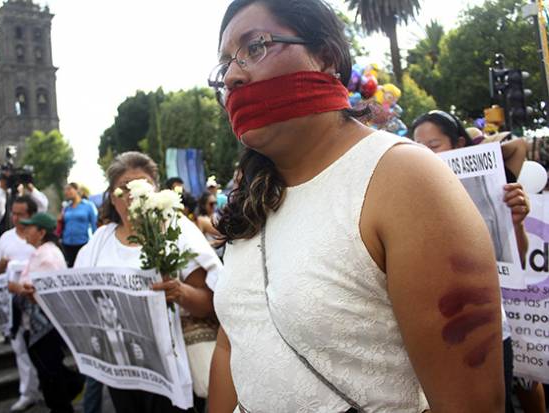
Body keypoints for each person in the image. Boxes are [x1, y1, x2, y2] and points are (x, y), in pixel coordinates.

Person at [208, 1, 505, 412]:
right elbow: (232, 342)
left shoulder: (406, 178)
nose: (234, 76)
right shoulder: (251, 195)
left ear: (326, 57)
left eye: (255, 47)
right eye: (224, 67)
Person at [411, 110, 543, 413]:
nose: (425, 156)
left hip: (491, 330)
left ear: (458, 144)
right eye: (417, 149)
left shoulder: (493, 190)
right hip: (439, 335)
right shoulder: (412, 194)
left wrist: (515, 223)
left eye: (433, 146)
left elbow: (515, 261)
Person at [75, 151, 223, 413]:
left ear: (156, 191)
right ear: (112, 196)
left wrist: (180, 292)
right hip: (123, 368)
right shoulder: (100, 241)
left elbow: (210, 303)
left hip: (172, 366)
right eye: (124, 188)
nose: (133, 194)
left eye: (142, 185)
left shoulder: (178, 231)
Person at [10, 212, 85, 413]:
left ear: (42, 232)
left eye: (29, 228)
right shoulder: (40, 253)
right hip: (38, 326)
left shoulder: (48, 256)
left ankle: (69, 395)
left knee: (51, 375)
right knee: (49, 373)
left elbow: (38, 292)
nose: (24, 231)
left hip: (45, 327)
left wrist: (16, 288)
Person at [0, 195, 42, 411]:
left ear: (31, 215)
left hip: (38, 302)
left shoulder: (39, 236)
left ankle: (46, 387)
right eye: (14, 213)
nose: (16, 218)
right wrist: (1, 265)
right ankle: (27, 392)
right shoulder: (5, 238)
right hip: (13, 304)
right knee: (19, 346)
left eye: (21, 214)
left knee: (41, 347)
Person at [61, 182, 98, 267]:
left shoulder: (88, 206)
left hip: (82, 243)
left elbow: (94, 225)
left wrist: (95, 243)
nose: (66, 192)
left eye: (69, 189)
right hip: (67, 244)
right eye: (65, 190)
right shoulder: (66, 207)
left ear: (77, 190)